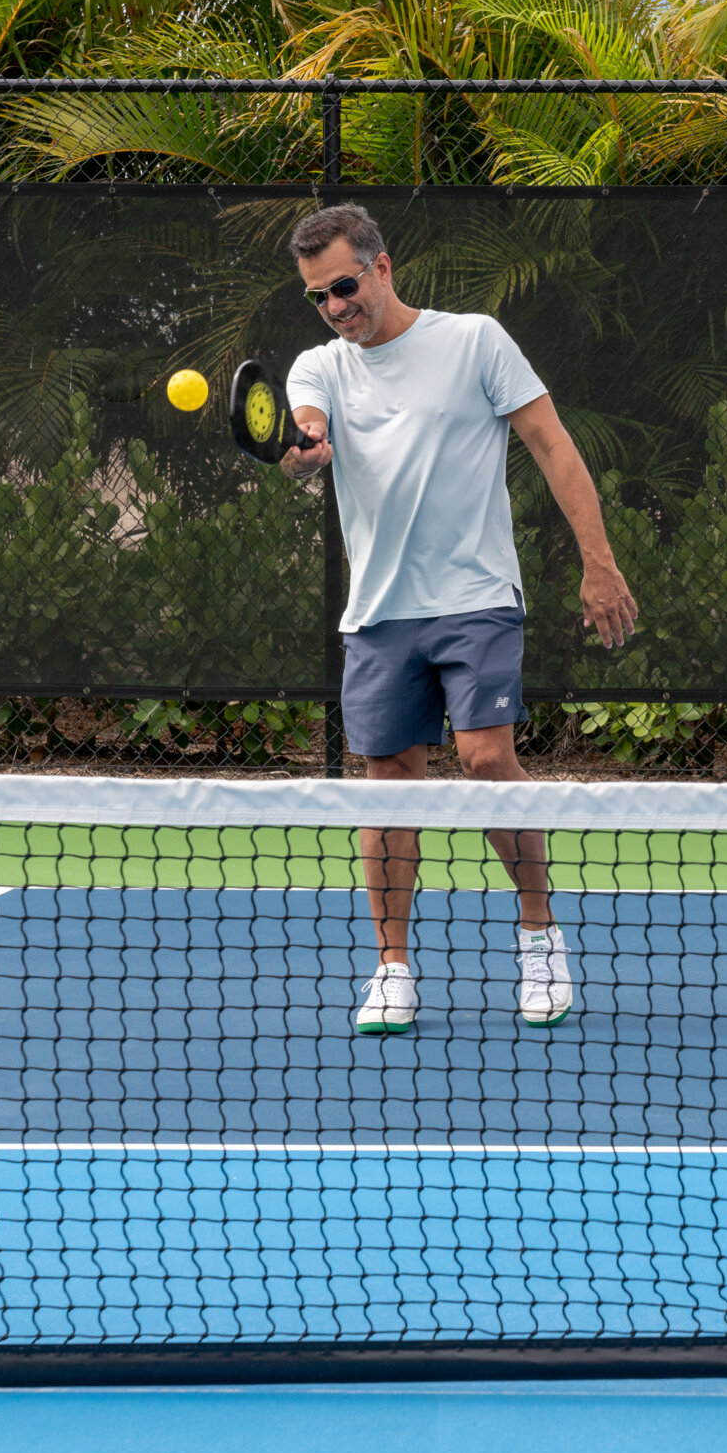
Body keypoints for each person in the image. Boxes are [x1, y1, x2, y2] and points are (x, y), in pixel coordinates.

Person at [275, 204, 639, 1035]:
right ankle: (393, 968)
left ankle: (540, 935)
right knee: (389, 782)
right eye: (316, 297)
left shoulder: (475, 339)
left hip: (477, 596)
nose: (334, 307)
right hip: (379, 613)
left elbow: (551, 443)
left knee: (483, 760)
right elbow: (307, 432)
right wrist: (304, 449)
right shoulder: (318, 368)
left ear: (382, 267)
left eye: (342, 286)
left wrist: (600, 562)